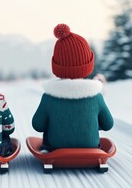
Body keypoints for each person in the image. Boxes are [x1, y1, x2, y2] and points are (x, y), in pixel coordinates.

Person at [32, 24, 114, 153]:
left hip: (56, 149)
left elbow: (38, 125)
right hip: (91, 148)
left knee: (48, 132)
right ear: (88, 66)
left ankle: (48, 152)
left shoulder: (49, 97)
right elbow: (108, 125)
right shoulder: (96, 96)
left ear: (56, 66)